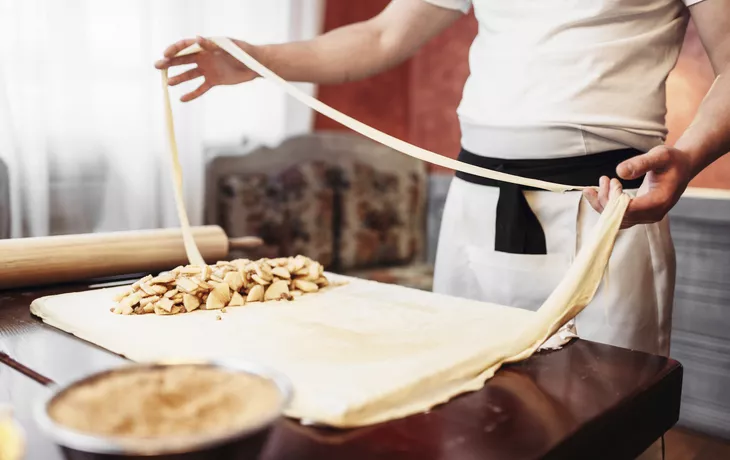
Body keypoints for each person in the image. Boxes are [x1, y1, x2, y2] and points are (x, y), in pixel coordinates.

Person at [156, 1, 728, 454]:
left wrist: (689, 154)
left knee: (605, 425)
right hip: (472, 208)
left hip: (609, 215)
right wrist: (255, 58)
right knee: (464, 412)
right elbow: (382, 35)